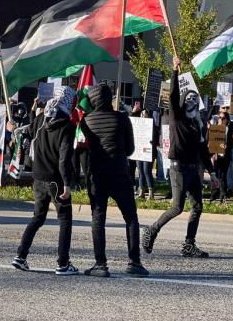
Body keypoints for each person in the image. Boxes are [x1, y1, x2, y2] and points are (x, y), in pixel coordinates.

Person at [142, 56, 217, 259]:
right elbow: (174, 96)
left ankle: (189, 244)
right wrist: (175, 71)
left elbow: (203, 150)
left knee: (198, 206)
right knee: (177, 207)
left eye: (195, 99)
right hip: (179, 168)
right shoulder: (177, 117)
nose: (192, 103)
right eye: (189, 100)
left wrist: (213, 173)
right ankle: (152, 230)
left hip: (193, 169)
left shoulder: (197, 125)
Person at [80, 83, 149, 277]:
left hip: (97, 175)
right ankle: (134, 262)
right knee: (130, 217)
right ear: (110, 98)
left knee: (98, 218)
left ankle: (100, 264)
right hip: (120, 172)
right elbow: (130, 149)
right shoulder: (122, 118)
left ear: (93, 101)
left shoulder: (86, 121)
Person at [11, 86, 79, 275]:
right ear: (68, 102)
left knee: (37, 218)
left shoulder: (41, 119)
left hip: (38, 177)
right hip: (56, 179)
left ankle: (20, 256)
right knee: (65, 220)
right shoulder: (67, 125)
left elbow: (26, 133)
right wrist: (67, 183)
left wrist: (14, 128)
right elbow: (64, 157)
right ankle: (62, 263)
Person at [209, 111, 233, 203]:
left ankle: (223, 194)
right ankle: (214, 194)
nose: (220, 119)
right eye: (219, 118)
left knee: (223, 175)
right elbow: (210, 141)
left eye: (223, 118)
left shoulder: (229, 129)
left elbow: (231, 142)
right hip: (215, 156)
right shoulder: (214, 128)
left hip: (225, 155)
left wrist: (227, 146)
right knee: (215, 175)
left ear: (226, 120)